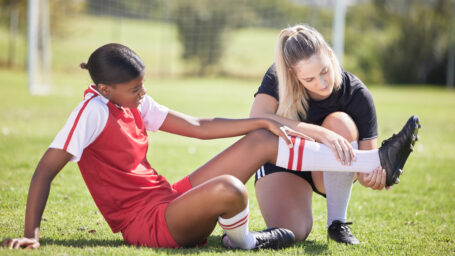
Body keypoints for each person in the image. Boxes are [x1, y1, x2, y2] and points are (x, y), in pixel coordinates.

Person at [2, 43, 419, 250]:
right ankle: (245, 242)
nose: (142, 93)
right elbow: (44, 170)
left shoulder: (133, 102)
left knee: (259, 140)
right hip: (146, 224)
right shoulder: (91, 113)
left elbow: (199, 127)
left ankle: (374, 159)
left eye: (143, 84)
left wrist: (264, 120)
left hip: (165, 199)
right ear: (104, 88)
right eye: (134, 89)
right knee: (230, 190)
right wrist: (31, 235)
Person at [250, 24, 420, 244]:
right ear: (293, 74)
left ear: (330, 55)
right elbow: (256, 119)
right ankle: (245, 240)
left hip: (326, 171)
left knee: (339, 122)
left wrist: (376, 175)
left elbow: (363, 174)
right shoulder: (279, 75)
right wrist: (321, 134)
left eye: (324, 71)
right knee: (293, 232)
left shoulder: (356, 94)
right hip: (283, 163)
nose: (321, 84)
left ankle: (337, 223)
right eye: (309, 80)